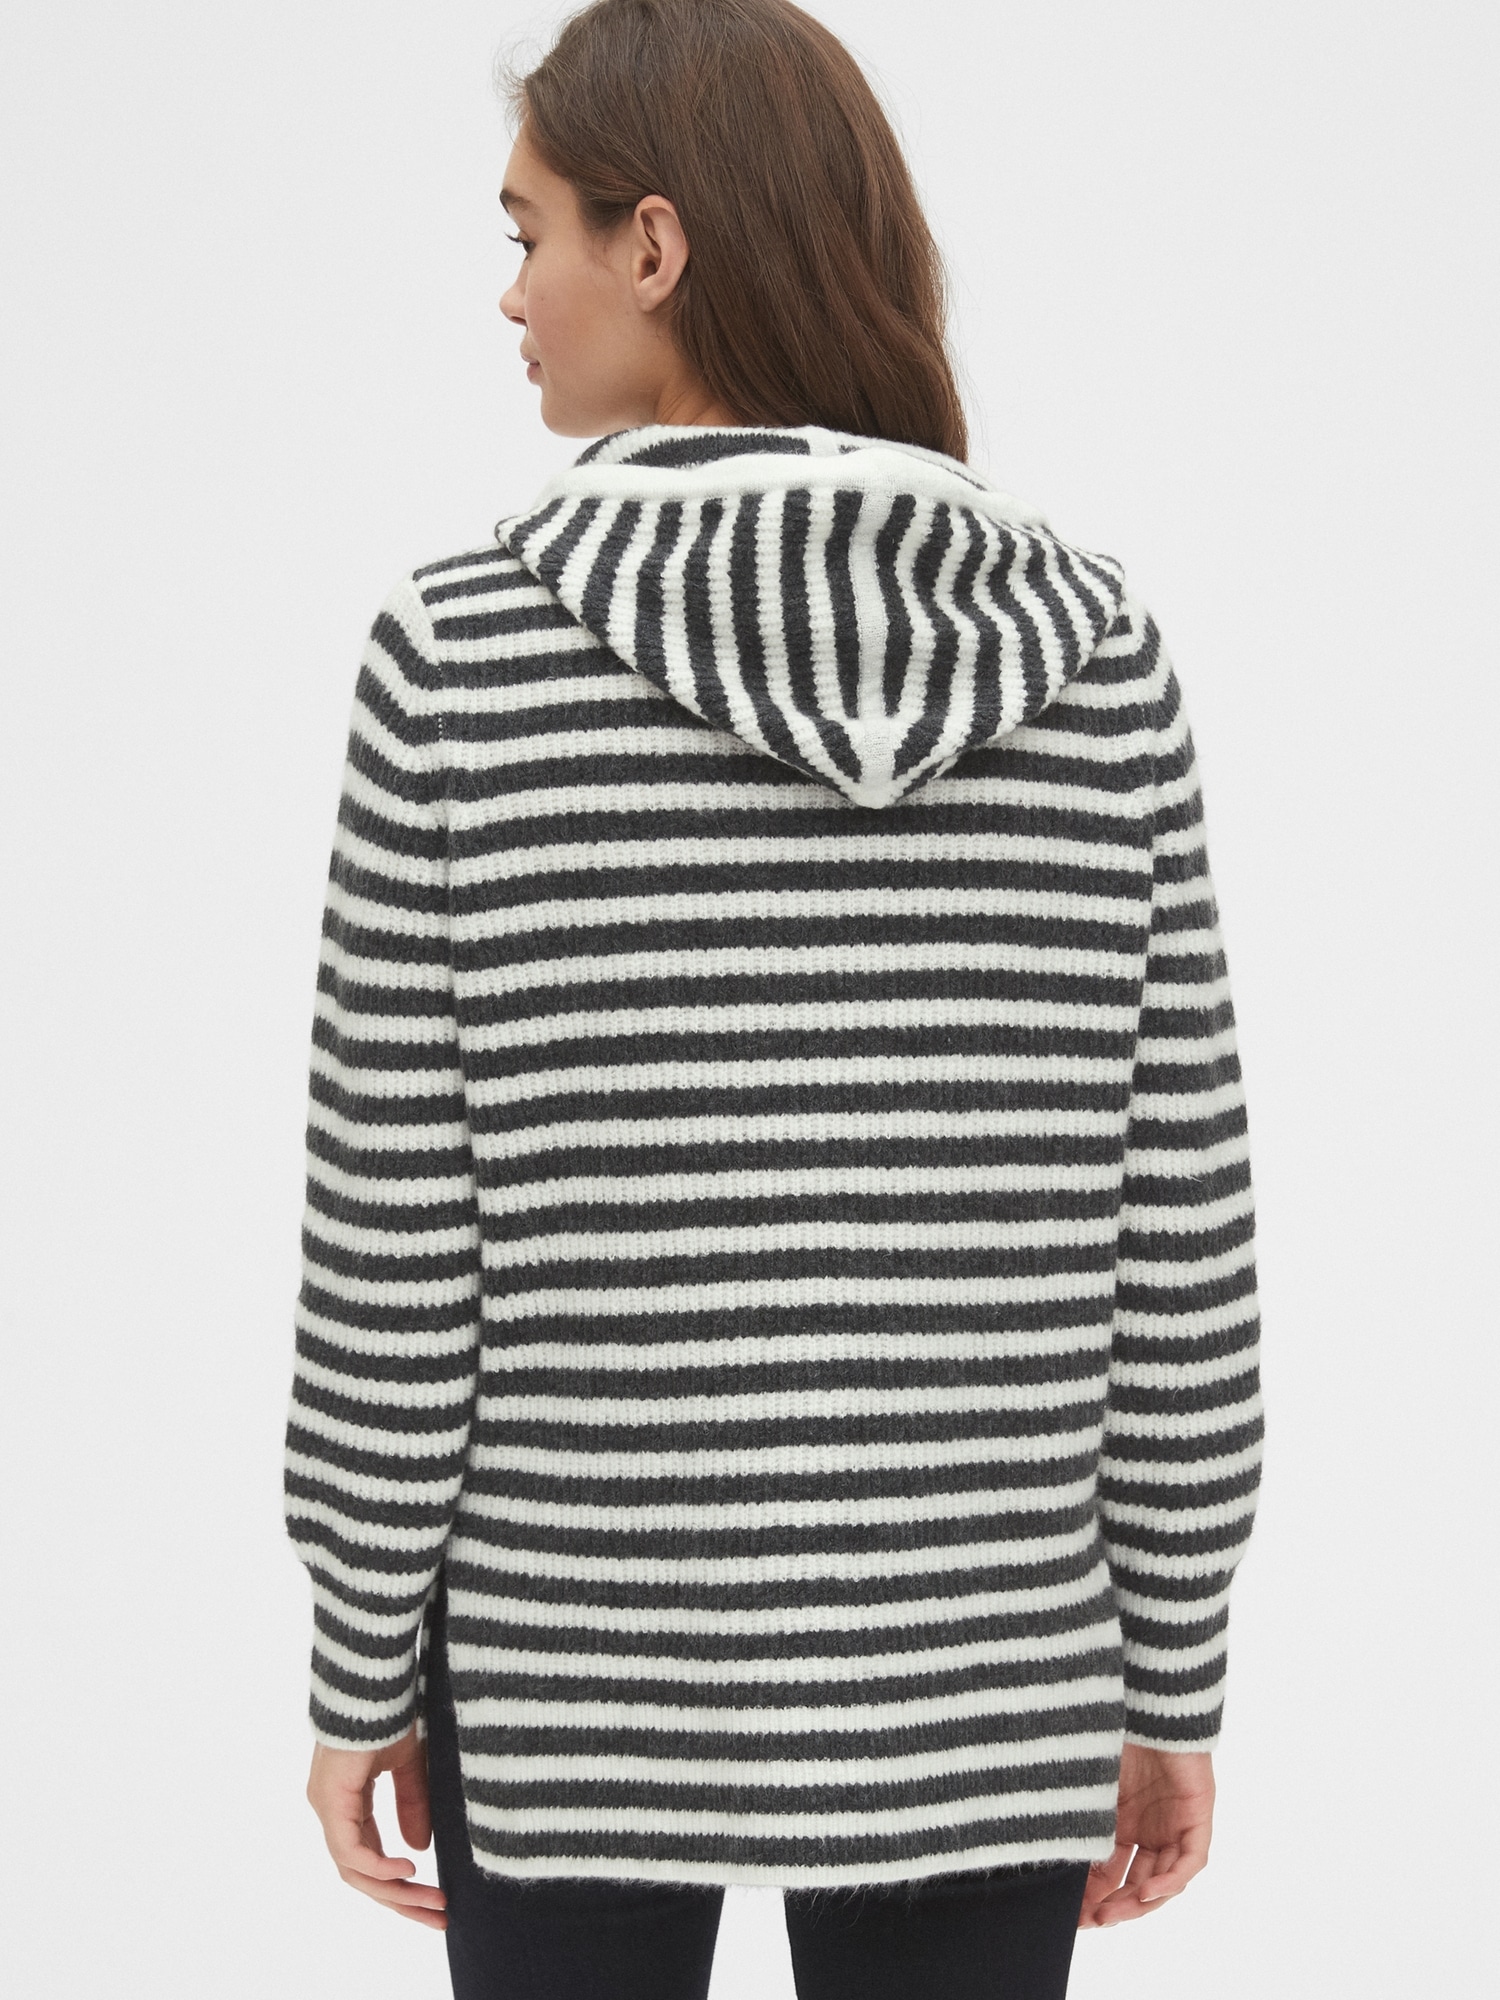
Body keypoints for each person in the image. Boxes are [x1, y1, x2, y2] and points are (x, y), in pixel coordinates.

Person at [282, 3, 1263, 1995]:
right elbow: (1176, 1251)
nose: (511, 297)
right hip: (990, 1682)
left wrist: (362, 1659)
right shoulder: (1096, 662)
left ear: (655, 244)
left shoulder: (459, 660)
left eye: (530, 235)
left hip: (567, 1685)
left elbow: (396, 1255)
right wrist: (1170, 1666)